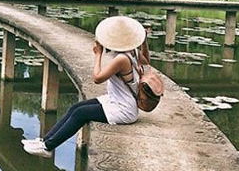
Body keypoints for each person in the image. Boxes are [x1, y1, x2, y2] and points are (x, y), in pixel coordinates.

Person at [23, 15, 150, 157]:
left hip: (123, 109)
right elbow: (146, 60)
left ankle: (48, 148)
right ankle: (45, 140)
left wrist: (98, 54)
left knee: (80, 114)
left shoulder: (122, 58)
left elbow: (97, 78)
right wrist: (144, 42)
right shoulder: (133, 52)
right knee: (75, 107)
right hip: (118, 100)